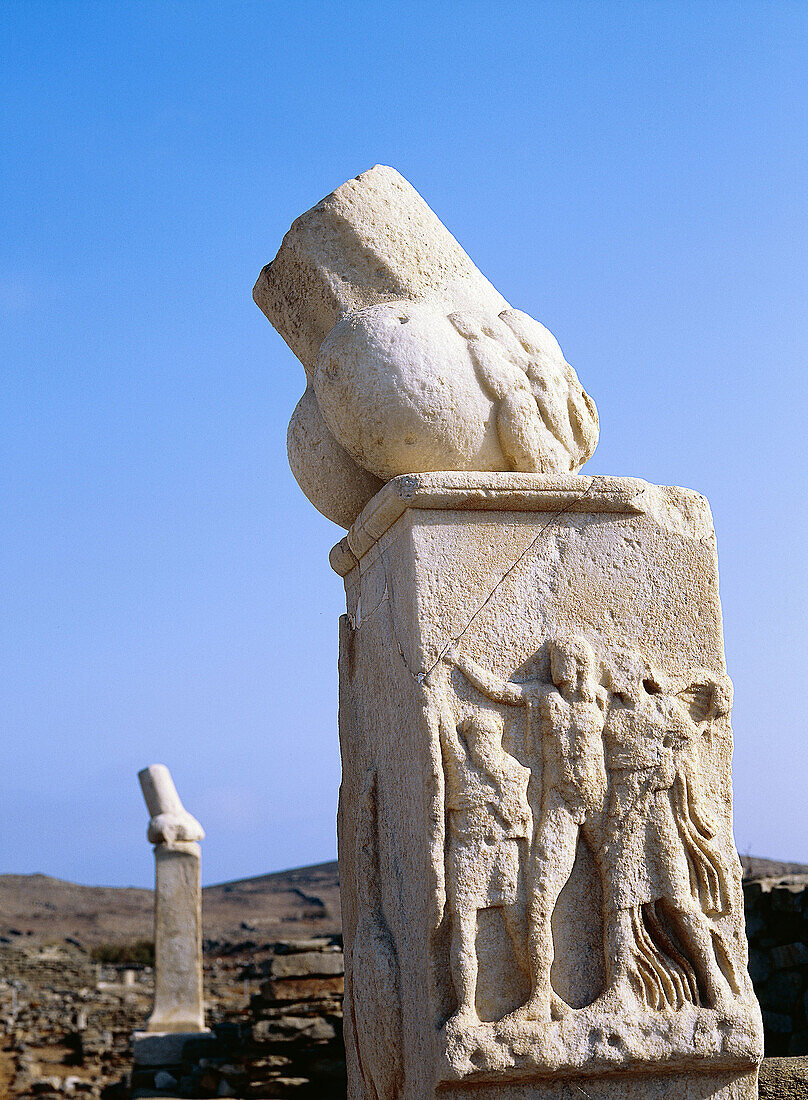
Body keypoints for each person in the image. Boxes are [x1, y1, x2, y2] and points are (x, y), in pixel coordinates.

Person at [447, 634, 608, 1021]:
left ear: (578, 663)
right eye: (551, 659)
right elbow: (498, 689)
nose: (555, 666)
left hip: (599, 803)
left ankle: (621, 986)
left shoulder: (600, 703)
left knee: (621, 894)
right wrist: (460, 661)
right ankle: (540, 995)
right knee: (537, 902)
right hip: (560, 805)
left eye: (561, 659)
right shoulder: (544, 699)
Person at [439, 705, 532, 1024]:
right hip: (467, 855)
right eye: (477, 737)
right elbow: (441, 726)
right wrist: (431, 681)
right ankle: (466, 1006)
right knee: (464, 931)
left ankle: (538, 994)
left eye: (488, 737)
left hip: (503, 854)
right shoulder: (460, 765)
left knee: (519, 924)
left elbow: (521, 820)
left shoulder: (514, 771)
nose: (483, 744)